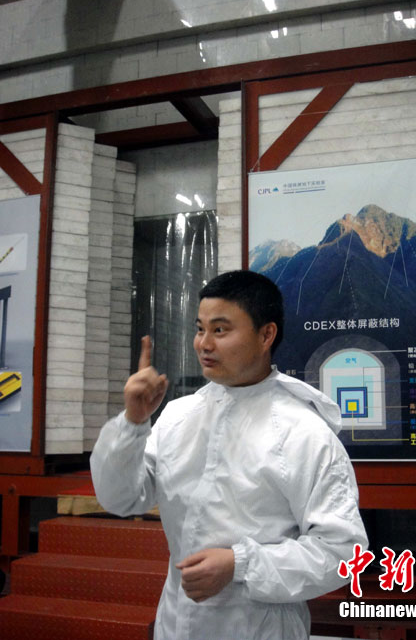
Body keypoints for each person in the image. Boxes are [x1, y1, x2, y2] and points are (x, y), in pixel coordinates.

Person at [90, 270, 367, 640]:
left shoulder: (303, 433)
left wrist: (241, 564)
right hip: (176, 624)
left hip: (260, 629)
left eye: (220, 330)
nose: (204, 344)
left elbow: (342, 551)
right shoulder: (180, 415)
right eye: (200, 329)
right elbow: (121, 498)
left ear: (266, 335)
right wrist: (133, 423)